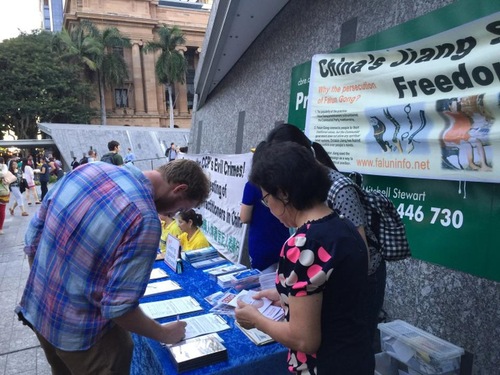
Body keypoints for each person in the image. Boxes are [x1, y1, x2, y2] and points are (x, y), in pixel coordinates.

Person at [16, 159, 210, 374]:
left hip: (39, 312)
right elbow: (118, 308)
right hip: (85, 338)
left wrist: (48, 289)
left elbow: (32, 239)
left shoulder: (89, 169)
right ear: (179, 189)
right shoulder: (144, 218)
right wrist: (165, 334)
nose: (173, 215)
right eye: (180, 208)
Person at [235, 142, 373, 375]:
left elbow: (303, 340)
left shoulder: (302, 244)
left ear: (283, 193)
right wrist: (285, 297)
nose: (268, 208)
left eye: (267, 200)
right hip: (356, 357)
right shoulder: (344, 226)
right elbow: (335, 295)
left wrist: (256, 319)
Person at [265, 123, 386, 350]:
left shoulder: (339, 188)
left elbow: (358, 254)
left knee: (349, 341)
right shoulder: (299, 199)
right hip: (327, 281)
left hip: (358, 281)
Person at [240, 180, 290, 273]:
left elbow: (244, 217)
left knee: (263, 283)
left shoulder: (253, 185)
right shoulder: (285, 180)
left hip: (262, 243)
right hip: (283, 240)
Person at [0, 157, 10, 234]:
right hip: (3, 192)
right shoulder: (4, 168)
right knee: (2, 210)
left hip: (2, 192)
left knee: (2, 210)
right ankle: (0, 228)